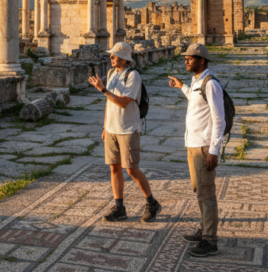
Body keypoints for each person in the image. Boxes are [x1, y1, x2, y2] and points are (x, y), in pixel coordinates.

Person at [88, 41, 161, 223]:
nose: (111, 58)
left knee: (131, 169)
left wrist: (102, 89)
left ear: (124, 58)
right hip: (112, 128)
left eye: (114, 55)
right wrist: (105, 126)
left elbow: (122, 102)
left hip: (128, 128)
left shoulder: (133, 76)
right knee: (114, 168)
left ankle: (152, 203)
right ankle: (119, 208)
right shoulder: (112, 73)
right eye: (111, 55)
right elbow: (109, 103)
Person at [167, 43, 225, 258]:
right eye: (186, 58)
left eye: (190, 58)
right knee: (199, 190)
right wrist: (182, 86)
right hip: (192, 144)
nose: (186, 61)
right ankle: (204, 229)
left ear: (202, 60)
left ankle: (210, 241)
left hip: (204, 146)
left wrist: (214, 150)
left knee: (207, 192)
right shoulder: (196, 81)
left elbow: (219, 119)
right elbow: (195, 100)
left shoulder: (211, 84)